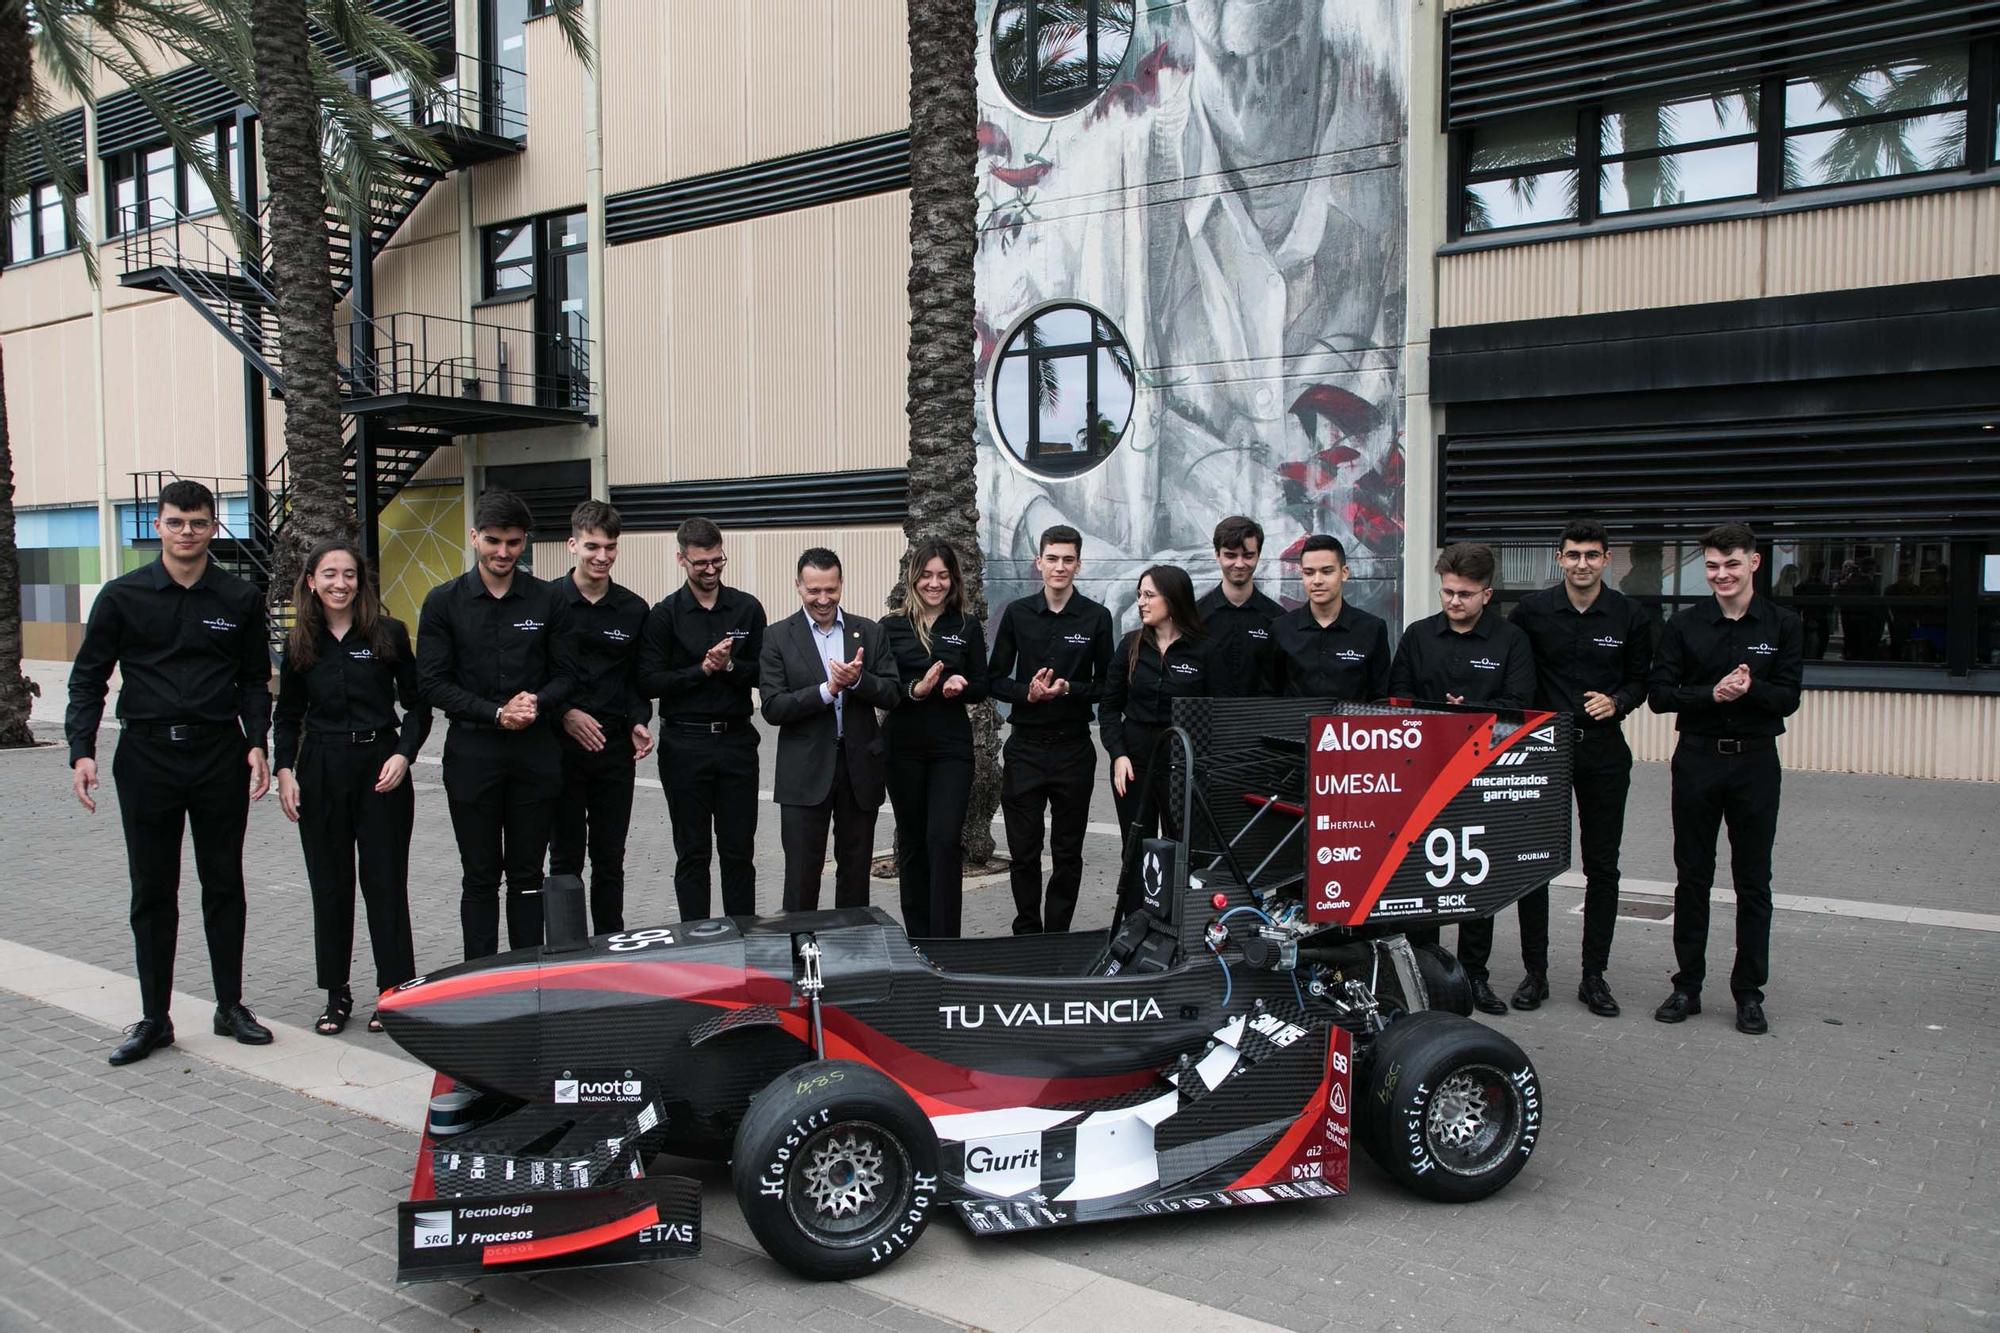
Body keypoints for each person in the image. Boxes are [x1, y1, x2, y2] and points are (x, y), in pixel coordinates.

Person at [66, 477, 275, 1066]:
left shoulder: (238, 598)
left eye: (199, 523)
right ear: (158, 525)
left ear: (213, 527)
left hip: (217, 757)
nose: (188, 533)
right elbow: (89, 678)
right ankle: (155, 1018)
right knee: (153, 891)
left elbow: (254, 680)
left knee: (223, 885)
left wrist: (257, 743)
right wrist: (81, 749)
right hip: (146, 758)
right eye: (177, 523)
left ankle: (230, 1006)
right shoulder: (122, 596)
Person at [1649, 522, 1803, 1036]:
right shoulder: (1684, 625)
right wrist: (1710, 696)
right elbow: (1660, 695)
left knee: (1753, 881)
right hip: (1696, 759)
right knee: (1692, 876)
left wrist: (1751, 687)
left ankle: (1748, 993)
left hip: (1756, 763)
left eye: (1732, 564)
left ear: (1754, 563)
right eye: (1712, 565)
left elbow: (1788, 698)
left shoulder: (1782, 625)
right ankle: (1687, 986)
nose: (1721, 575)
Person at [273, 540, 429, 1035]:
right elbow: (287, 717)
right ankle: (336, 994)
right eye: (329, 574)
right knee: (331, 884)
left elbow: (418, 705)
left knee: (385, 883)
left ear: (361, 582)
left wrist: (404, 754)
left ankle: (395, 989)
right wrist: (284, 771)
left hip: (380, 767)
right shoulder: (299, 642)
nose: (340, 584)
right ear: (311, 581)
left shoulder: (388, 633)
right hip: (321, 767)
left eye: (349, 575)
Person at [417, 489, 576, 960]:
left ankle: (528, 972)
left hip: (535, 755)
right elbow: (431, 682)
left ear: (524, 541)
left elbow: (569, 675)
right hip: (473, 754)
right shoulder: (443, 602)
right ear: (474, 537)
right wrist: (494, 713)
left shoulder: (549, 600)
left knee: (527, 874)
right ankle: (480, 974)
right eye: (493, 541)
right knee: (480, 875)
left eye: (513, 542)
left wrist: (537, 701)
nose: (503, 552)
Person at [1505, 520, 1654, 1018]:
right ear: (1559, 559)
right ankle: (1536, 973)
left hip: (1604, 753)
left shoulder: (1629, 614)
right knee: (1535, 865)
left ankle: (1594, 976)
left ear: (1607, 559)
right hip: (1544, 752)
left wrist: (1619, 702)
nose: (1582, 563)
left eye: (1592, 555)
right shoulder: (1531, 612)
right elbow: (1516, 674)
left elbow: (1641, 680)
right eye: (1573, 555)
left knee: (1603, 866)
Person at [1389, 542, 1535, 1015]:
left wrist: (1470, 716)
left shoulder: (1510, 641)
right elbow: (1397, 698)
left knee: (1476, 879)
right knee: (1421, 875)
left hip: (1483, 775)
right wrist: (1436, 718)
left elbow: (1519, 704)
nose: (1454, 602)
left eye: (1465, 594)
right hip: (1423, 775)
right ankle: (1424, 973)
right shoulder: (1418, 636)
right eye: (1448, 592)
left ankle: (1475, 977)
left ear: (1487, 594)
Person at [988, 524, 1115, 934]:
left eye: (1068, 559)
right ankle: (1027, 931)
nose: (1059, 567)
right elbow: (993, 679)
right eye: (1052, 558)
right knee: (1024, 852)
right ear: (1037, 562)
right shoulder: (1017, 613)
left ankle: (1058, 934)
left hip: (1073, 750)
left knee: (1068, 851)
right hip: (1025, 748)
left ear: (1079, 564)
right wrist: (1028, 692)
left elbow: (1107, 685)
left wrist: (1067, 690)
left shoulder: (1097, 617)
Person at [638, 517, 766, 920]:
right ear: (681, 559)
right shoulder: (664, 615)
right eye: (701, 564)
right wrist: (702, 670)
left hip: (736, 743)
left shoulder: (746, 609)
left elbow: (765, 673)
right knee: (692, 852)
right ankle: (696, 940)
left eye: (717, 561)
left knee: (738, 851)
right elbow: (650, 681)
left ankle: (744, 936)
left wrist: (729, 668)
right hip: (685, 745)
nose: (710, 571)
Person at [759, 548, 900, 911]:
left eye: (831, 590)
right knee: (802, 875)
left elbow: (891, 693)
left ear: (841, 585)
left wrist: (857, 681)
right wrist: (828, 691)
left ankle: (851, 953)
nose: (823, 599)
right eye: (814, 591)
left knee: (854, 876)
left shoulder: (868, 631)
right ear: (798, 586)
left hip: (859, 770)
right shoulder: (777, 637)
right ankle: (801, 952)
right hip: (804, 773)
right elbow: (773, 707)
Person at [547, 501, 654, 935]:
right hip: (560, 749)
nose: (602, 556)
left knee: (610, 858)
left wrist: (638, 721)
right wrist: (565, 713)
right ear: (573, 544)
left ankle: (612, 945)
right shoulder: (548, 601)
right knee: (564, 858)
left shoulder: (633, 608)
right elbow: (535, 674)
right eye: (592, 546)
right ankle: (565, 952)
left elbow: (637, 680)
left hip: (613, 752)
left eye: (610, 547)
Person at [881, 539, 989, 938]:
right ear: (913, 578)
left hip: (951, 748)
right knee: (912, 844)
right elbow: (884, 687)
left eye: (943, 575)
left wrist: (960, 685)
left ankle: (946, 942)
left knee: (943, 841)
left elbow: (983, 684)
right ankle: (918, 939)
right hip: (903, 747)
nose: (935, 583)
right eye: (927, 575)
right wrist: (917, 689)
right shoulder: (890, 627)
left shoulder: (966, 625)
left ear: (953, 579)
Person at [1102, 565, 1214, 915]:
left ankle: (1183, 924)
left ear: (1173, 598)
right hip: (1134, 765)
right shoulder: (1131, 645)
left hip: (1183, 767)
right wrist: (1117, 754)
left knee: (1185, 849)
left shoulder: (1204, 651)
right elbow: (1108, 708)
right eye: (1139, 595)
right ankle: (1135, 922)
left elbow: (1216, 715)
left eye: (1149, 595)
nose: (1141, 602)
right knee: (1136, 847)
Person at [1270, 534, 1391, 700]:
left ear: (1344, 573)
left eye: (1327, 571)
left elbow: (1380, 698)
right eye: (1309, 573)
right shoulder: (1281, 629)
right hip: (1295, 725)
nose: (1317, 580)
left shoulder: (1372, 629)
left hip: (1353, 725)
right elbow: (1270, 696)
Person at [1195, 515, 1281, 696]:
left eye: (1248, 555)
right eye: (1230, 555)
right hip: (1205, 720)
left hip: (1260, 720)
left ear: (1259, 555)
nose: (1240, 564)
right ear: (1217, 555)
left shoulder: (1278, 620)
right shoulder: (1195, 616)